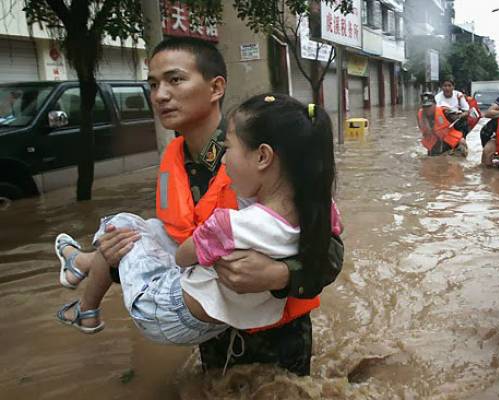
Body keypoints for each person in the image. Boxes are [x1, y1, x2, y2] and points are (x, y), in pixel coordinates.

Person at [53, 37, 344, 376]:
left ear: (216, 87)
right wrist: (116, 256)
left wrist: (279, 275)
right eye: (153, 84)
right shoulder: (173, 159)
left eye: (175, 80)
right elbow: (177, 248)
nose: (160, 95)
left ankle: (81, 264)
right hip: (207, 322)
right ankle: (89, 262)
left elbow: (330, 249)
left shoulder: (260, 150)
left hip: (275, 335)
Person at [417, 92, 467, 157]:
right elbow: (423, 131)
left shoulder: (445, 112)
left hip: (453, 144)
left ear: (435, 104)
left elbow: (462, 120)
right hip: (434, 147)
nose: (427, 109)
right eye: (424, 106)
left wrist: (462, 138)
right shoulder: (419, 116)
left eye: (429, 106)